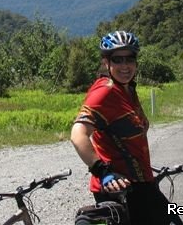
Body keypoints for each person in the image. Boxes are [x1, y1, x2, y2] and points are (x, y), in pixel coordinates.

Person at [71, 31, 171, 224]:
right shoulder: (105, 92)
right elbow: (78, 135)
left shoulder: (127, 89)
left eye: (130, 58)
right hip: (121, 189)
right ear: (105, 62)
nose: (125, 66)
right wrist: (102, 171)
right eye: (118, 60)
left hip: (142, 184)